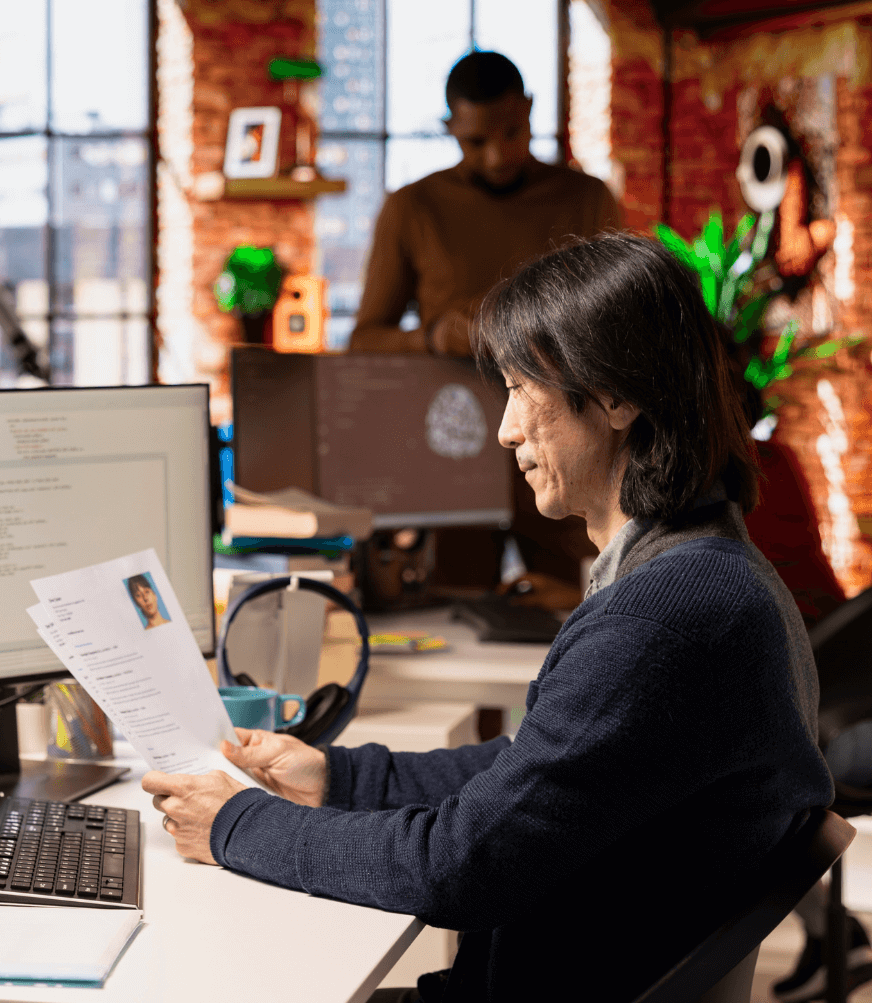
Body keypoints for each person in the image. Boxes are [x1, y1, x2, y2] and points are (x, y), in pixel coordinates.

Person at [143, 234, 833, 1003]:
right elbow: (534, 768)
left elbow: (461, 867)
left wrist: (236, 825)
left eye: (520, 388)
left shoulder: (663, 620)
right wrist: (338, 776)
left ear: (614, 396)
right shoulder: (710, 570)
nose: (504, 429)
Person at [352, 50, 622, 593]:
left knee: (572, 608)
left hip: (565, 446)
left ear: (530, 109)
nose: (499, 154)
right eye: (476, 141)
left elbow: (619, 329)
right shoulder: (413, 207)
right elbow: (363, 341)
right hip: (450, 446)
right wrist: (434, 338)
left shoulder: (586, 199)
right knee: (454, 615)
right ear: (449, 128)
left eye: (513, 131)